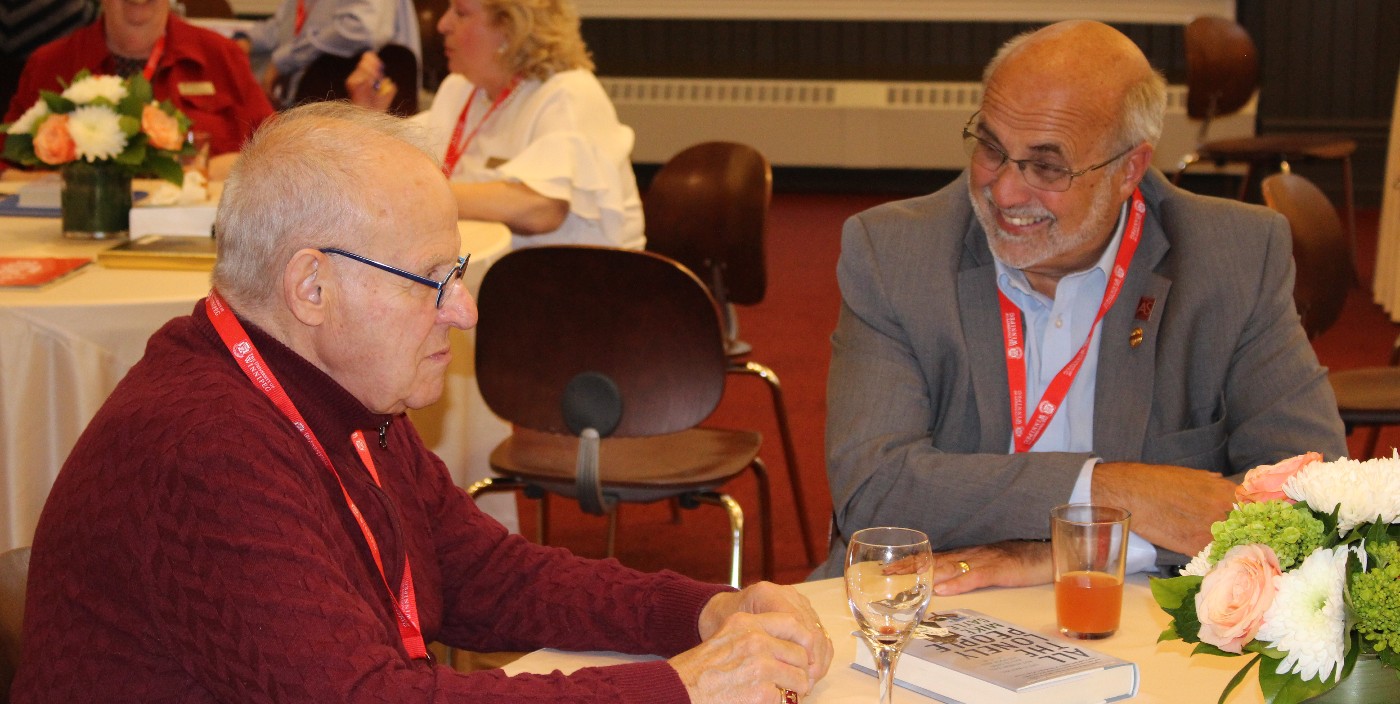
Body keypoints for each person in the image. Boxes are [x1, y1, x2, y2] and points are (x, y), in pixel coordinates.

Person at [10, 102, 831, 703]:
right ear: (311, 285)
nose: (464, 311)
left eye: (459, 275)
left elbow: (483, 574)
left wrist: (704, 611)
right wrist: (679, 689)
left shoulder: (335, 392)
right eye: (433, 281)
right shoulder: (202, 447)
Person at [814, 21, 1348, 594]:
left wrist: (1059, 554)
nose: (1005, 191)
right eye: (992, 148)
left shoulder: (1232, 259)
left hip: (1146, 609)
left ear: (1129, 171)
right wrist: (1111, 491)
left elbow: (1316, 499)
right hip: (933, 603)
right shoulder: (894, 253)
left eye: (1047, 168)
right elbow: (875, 490)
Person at [345, 0, 644, 250]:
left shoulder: (567, 93)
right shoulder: (461, 89)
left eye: (461, 13)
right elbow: (399, 169)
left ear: (509, 29)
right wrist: (369, 120)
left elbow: (542, 208)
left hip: (584, 296)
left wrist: (421, 195)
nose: (442, 24)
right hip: (501, 284)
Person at [4, 0, 273, 174]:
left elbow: (275, 155)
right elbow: (5, 163)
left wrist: (215, 171)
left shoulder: (222, 57)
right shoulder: (50, 65)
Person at [236, 0, 421, 108]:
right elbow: (284, 25)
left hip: (349, 108)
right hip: (302, 104)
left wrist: (284, 60)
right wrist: (246, 41)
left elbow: (360, 28)